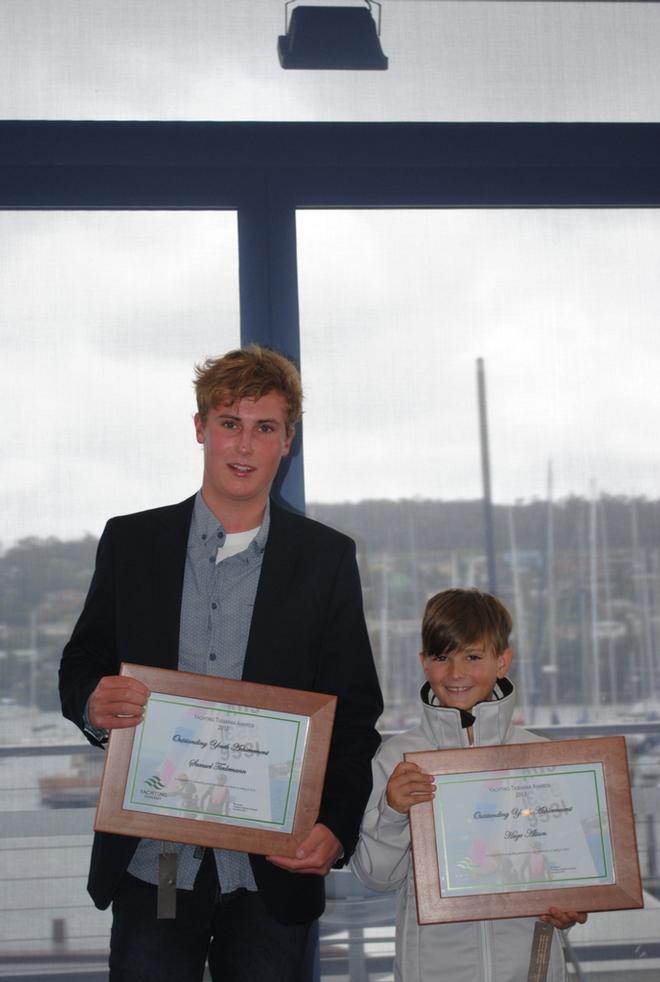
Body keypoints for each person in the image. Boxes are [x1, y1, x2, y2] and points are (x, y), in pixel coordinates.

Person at [59, 344, 383, 982]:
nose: (244, 444)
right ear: (200, 428)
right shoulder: (132, 542)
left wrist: (338, 826)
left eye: (265, 427)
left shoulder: (327, 560)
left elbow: (354, 711)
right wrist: (92, 702)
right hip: (154, 861)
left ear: (287, 441)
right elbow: (83, 660)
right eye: (229, 423)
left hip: (274, 871)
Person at [351, 588, 587, 982]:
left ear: (502, 661)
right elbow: (376, 877)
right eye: (442, 657)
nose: (456, 673)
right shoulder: (398, 760)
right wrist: (392, 813)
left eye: (473, 656)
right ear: (424, 663)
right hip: (431, 969)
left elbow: (570, 873)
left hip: (529, 966)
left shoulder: (542, 759)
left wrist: (572, 906)